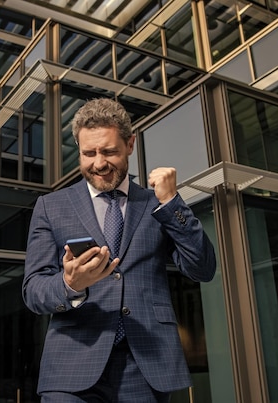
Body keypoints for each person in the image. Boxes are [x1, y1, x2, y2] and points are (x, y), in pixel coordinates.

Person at [22, 98, 216, 402]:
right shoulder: (51, 207)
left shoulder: (156, 204)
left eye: (109, 151)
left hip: (145, 364)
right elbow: (33, 291)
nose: (99, 163)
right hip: (71, 368)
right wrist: (69, 284)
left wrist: (172, 203)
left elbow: (202, 268)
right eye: (89, 153)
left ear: (130, 144)